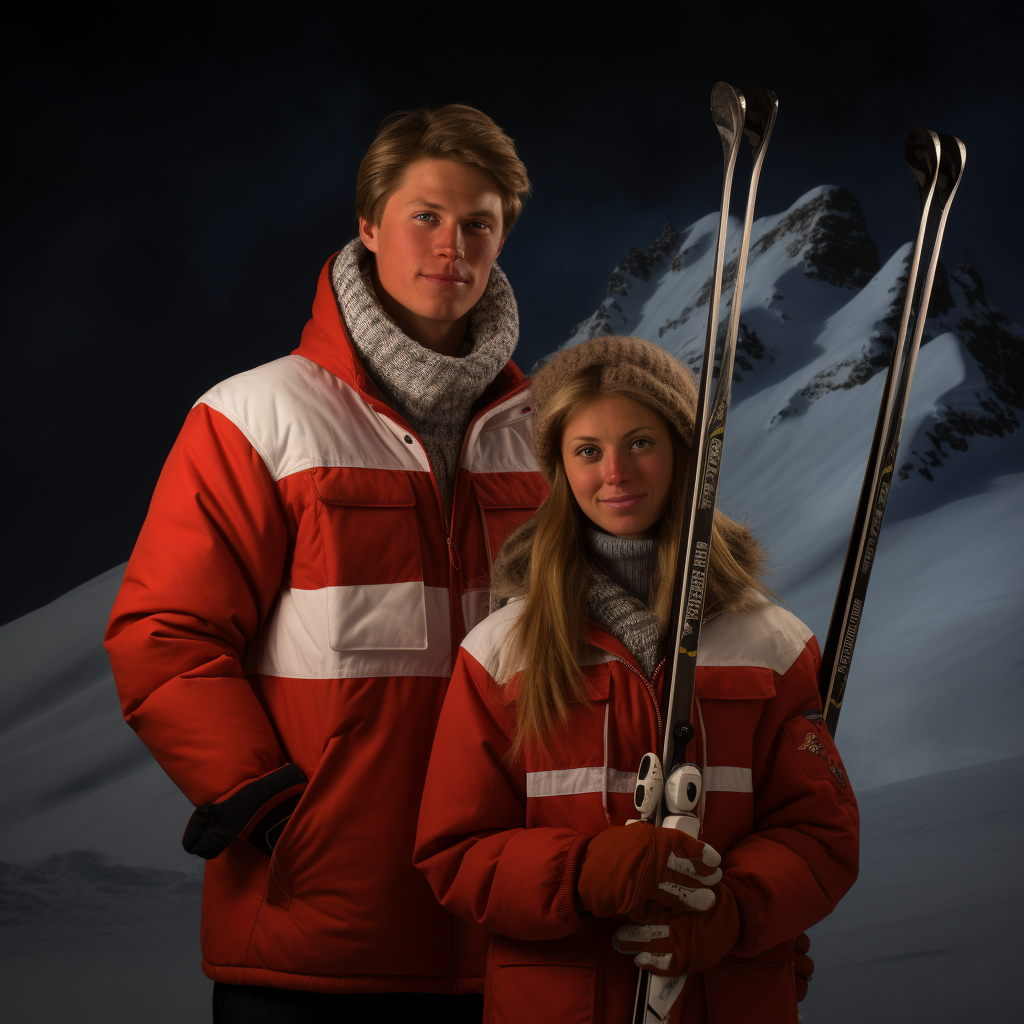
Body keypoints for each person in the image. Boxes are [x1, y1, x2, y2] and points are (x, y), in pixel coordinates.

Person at [104, 104, 546, 1022]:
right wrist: (265, 807)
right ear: (369, 224)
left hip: (520, 932)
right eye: (425, 216)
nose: (450, 247)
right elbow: (165, 635)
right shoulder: (256, 417)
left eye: (479, 223)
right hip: (316, 940)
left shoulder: (555, 435)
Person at [413, 335, 860, 1024]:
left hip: (730, 999)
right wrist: (581, 870)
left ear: (684, 455)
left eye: (641, 442)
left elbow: (819, 836)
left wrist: (736, 909)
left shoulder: (772, 644)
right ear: (559, 468)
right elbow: (454, 851)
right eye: (588, 450)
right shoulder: (500, 652)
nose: (615, 472)